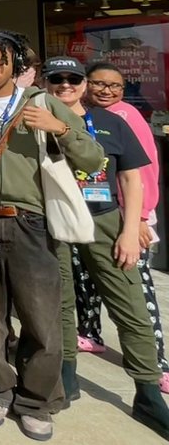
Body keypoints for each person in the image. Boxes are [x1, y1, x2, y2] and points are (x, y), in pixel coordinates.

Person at [0, 31, 102, 441]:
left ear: (15, 63)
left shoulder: (41, 103)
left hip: (30, 220)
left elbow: (93, 157)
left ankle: (36, 399)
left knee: (41, 317)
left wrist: (58, 129)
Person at [43, 57, 169, 437]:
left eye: (73, 79)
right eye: (57, 79)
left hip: (104, 219)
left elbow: (133, 179)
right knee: (61, 301)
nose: (65, 85)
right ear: (46, 84)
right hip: (57, 220)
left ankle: (147, 390)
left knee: (129, 304)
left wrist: (133, 228)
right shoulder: (34, 124)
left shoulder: (113, 122)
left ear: (83, 84)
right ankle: (67, 376)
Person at [77, 61, 169, 391]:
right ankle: (90, 333)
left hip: (127, 217)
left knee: (136, 289)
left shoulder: (126, 116)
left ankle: (155, 362)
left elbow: (142, 174)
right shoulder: (79, 113)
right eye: (99, 84)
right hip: (93, 213)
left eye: (114, 86)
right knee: (88, 280)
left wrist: (140, 218)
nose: (106, 90)